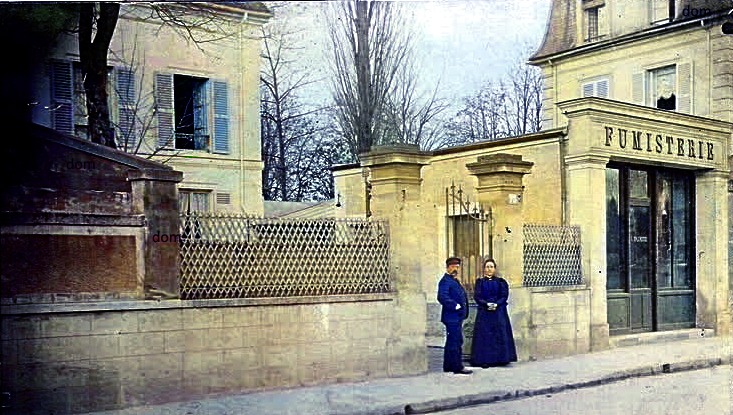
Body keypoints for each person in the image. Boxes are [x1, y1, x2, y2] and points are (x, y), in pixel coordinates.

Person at [470, 258, 517, 367]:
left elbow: (504, 296)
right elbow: (477, 296)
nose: (489, 269)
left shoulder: (501, 282)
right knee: (485, 336)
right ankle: (484, 360)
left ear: (495, 269)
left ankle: (500, 359)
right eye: (487, 267)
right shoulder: (480, 282)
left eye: (491, 267)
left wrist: (496, 304)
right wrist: (486, 304)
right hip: (484, 313)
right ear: (484, 269)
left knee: (499, 334)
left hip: (498, 312)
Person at [437, 257, 473, 375]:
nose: (455, 269)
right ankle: (457, 367)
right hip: (451, 317)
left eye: (457, 267)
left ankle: (449, 366)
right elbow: (442, 296)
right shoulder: (445, 281)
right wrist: (455, 305)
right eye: (453, 267)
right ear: (447, 267)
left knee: (453, 341)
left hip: (456, 317)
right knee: (456, 341)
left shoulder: (453, 280)